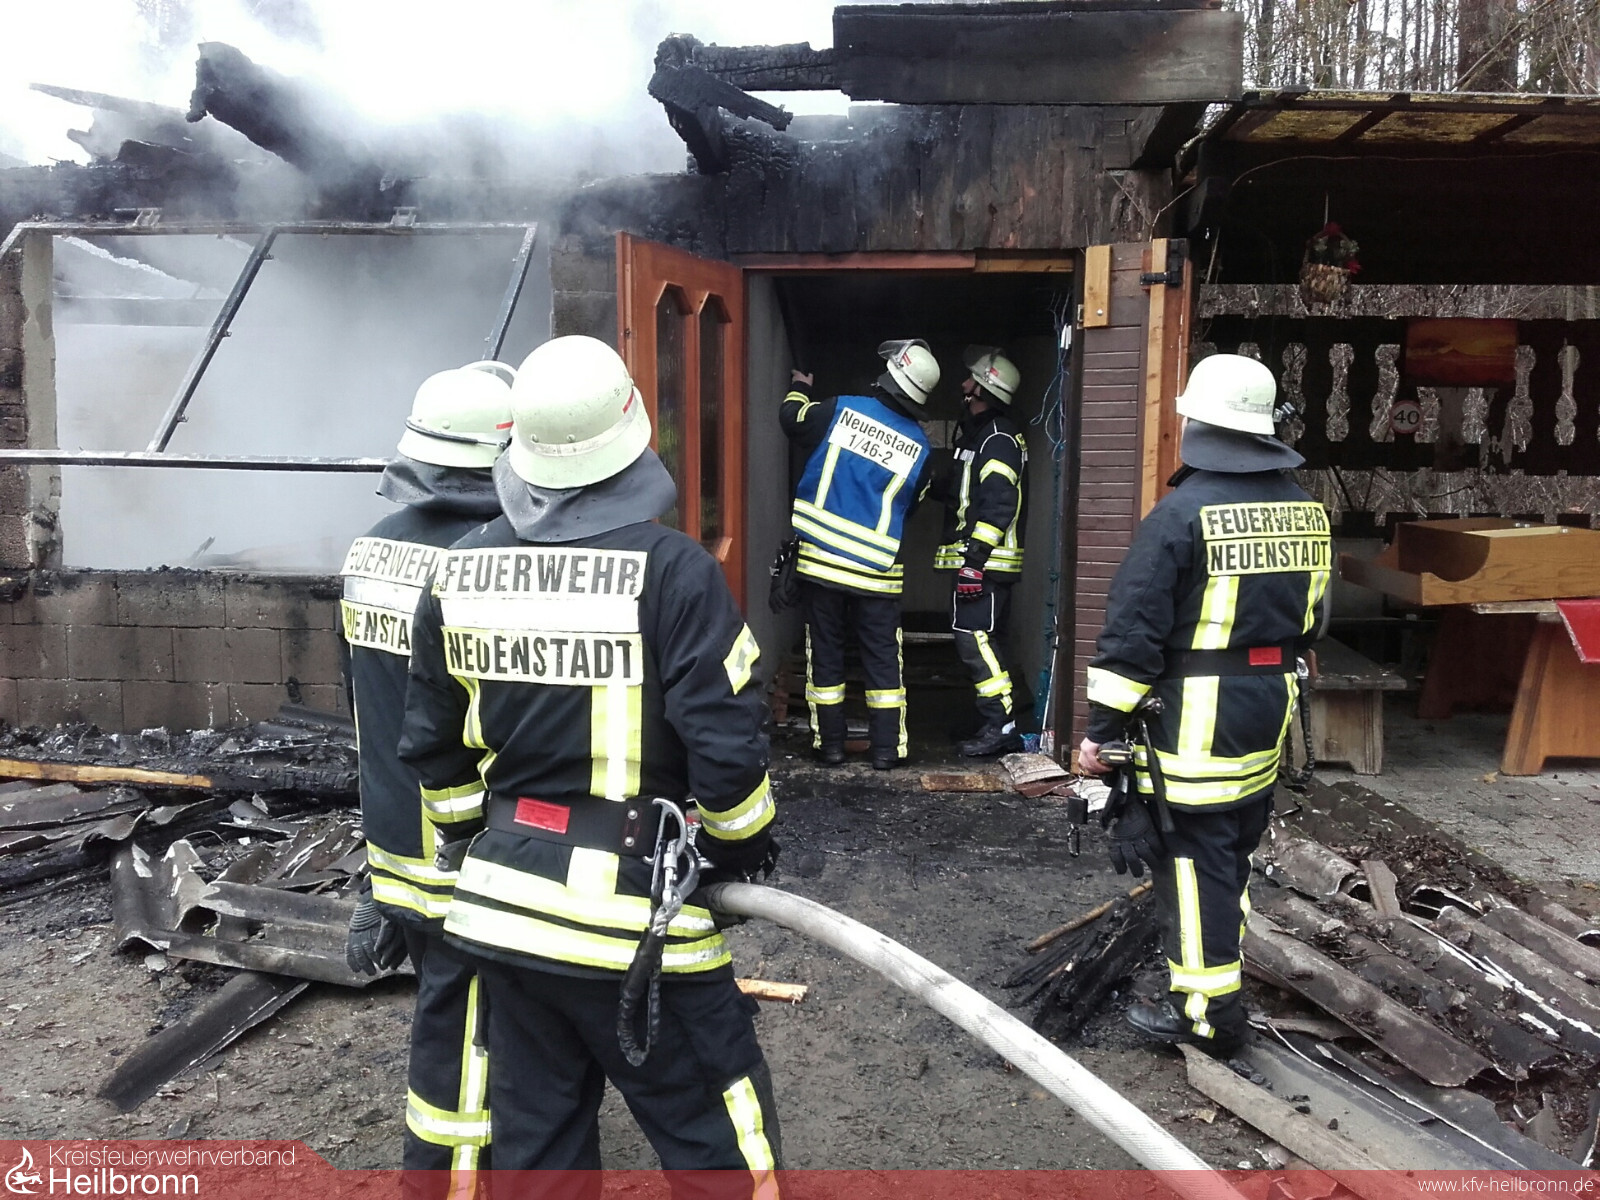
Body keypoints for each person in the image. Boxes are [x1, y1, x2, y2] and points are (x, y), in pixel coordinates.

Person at [399, 335, 782, 1182]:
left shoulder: (460, 572)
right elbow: (726, 750)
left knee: (539, 1159)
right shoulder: (676, 573)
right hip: (633, 922)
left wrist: (475, 843)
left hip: (502, 918)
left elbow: (433, 745)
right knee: (724, 1146)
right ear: (635, 437)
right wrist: (734, 852)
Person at [1078, 353, 1331, 1055]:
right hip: (1264, 717)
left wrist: (1100, 734)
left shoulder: (1180, 515)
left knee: (1193, 869)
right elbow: (1313, 623)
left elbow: (1132, 638)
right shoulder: (1308, 512)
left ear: (1199, 424)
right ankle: (1215, 989)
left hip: (1194, 729)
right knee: (1229, 860)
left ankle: (1207, 1017)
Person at [340, 360, 514, 1177]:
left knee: (457, 1016)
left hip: (394, 840)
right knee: (467, 1037)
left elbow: (368, 709)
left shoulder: (367, 550)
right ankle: (448, 1177)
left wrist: (374, 874)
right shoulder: (490, 563)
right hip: (469, 846)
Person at [782, 340, 937, 770]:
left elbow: (792, 420)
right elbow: (912, 506)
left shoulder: (840, 409)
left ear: (889, 376)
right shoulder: (922, 448)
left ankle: (830, 746)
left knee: (826, 655)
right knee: (884, 662)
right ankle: (887, 751)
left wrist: (799, 387)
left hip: (822, 565)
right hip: (878, 574)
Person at [933, 346, 1029, 758]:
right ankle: (991, 719)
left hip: (985, 566)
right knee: (985, 642)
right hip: (982, 564)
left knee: (975, 641)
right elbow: (962, 492)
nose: (963, 384)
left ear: (983, 390)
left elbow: (999, 504)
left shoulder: (998, 439)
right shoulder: (980, 436)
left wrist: (974, 564)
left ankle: (1000, 725)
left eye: (971, 379)